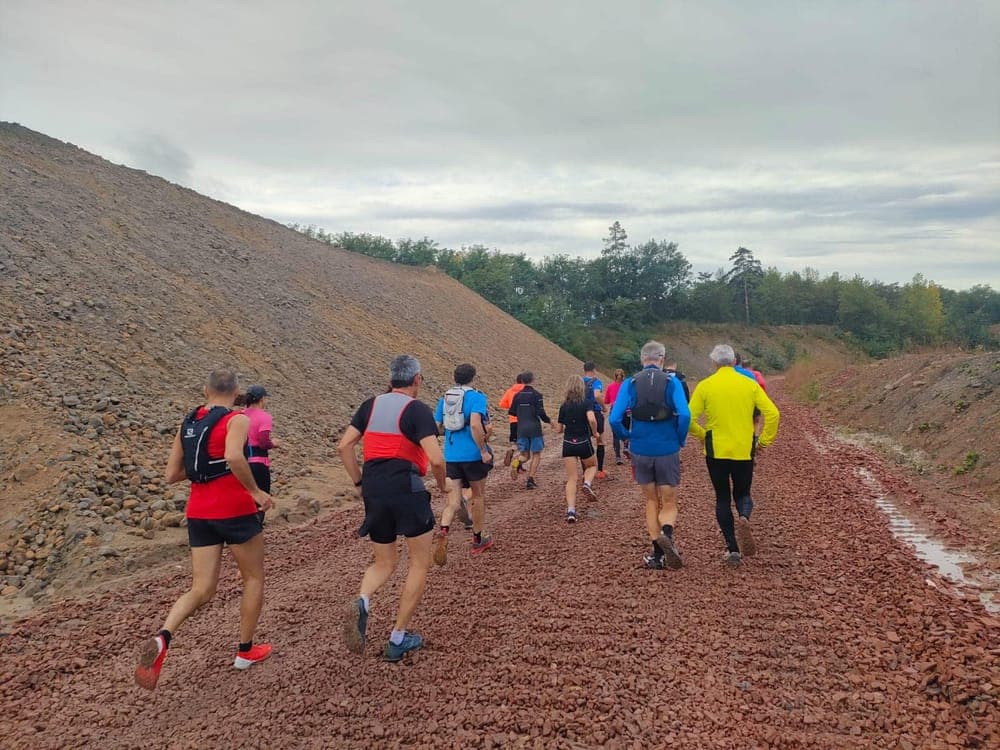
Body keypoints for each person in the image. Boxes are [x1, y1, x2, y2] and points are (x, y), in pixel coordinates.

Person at [134, 369, 274, 691]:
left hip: (199, 512)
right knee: (253, 578)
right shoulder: (237, 420)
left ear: (204, 390)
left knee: (201, 589)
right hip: (234, 510)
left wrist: (202, 472)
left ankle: (163, 636)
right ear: (236, 391)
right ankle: (244, 651)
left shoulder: (188, 422)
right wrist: (256, 493)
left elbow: (172, 474)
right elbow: (234, 456)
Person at [338, 355, 447, 661]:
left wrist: (359, 483)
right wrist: (441, 485)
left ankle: (362, 600)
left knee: (384, 562)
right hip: (406, 487)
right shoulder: (417, 410)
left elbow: (344, 446)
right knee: (418, 563)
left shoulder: (369, 406)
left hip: (374, 486)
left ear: (391, 378)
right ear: (417, 380)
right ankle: (398, 638)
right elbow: (436, 459)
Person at [688, 345, 780, 567]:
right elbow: (773, 413)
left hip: (716, 449)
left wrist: (702, 435)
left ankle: (732, 549)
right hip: (743, 448)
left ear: (713, 363)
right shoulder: (750, 384)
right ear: (733, 361)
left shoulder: (705, 386)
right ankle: (744, 518)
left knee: (722, 497)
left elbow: (687, 418)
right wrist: (763, 442)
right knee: (743, 492)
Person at [609, 342, 691, 570]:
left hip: (641, 449)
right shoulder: (672, 382)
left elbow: (614, 418)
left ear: (642, 359)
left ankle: (657, 555)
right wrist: (679, 438)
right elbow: (684, 415)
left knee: (651, 500)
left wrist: (627, 437)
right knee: (669, 501)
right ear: (662, 359)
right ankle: (667, 535)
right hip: (667, 448)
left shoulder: (630, 383)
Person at [432, 363, 494, 564]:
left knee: (453, 501)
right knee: (478, 496)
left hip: (451, 454)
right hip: (472, 455)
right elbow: (476, 424)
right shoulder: (477, 397)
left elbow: (436, 426)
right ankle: (478, 539)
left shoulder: (446, 398)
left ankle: (443, 530)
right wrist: (483, 450)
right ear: (473, 378)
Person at [556, 375, 599, 523]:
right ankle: (587, 483)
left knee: (571, 478)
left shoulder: (564, 406)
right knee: (592, 465)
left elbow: (559, 429)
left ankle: (571, 511)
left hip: (568, 443)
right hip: (583, 441)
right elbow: (592, 419)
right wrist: (595, 432)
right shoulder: (586, 403)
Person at [508, 371, 551, 489]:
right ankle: (530, 479)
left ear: (521, 381)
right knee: (536, 454)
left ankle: (517, 462)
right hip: (534, 428)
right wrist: (550, 421)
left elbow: (511, 412)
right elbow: (541, 413)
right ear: (533, 380)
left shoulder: (517, 395)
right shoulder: (537, 395)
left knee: (525, 456)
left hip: (521, 428)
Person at [243, 385, 280, 497]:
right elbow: (263, 442)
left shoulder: (240, 414)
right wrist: (274, 443)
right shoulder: (264, 417)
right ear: (262, 399)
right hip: (258, 464)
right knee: (261, 499)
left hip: (241, 463)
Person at [582, 361, 607, 478]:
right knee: (599, 440)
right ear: (594, 369)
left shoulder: (580, 381)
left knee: (584, 441)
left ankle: (585, 471)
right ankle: (600, 470)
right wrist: (603, 407)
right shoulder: (596, 382)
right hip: (595, 412)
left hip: (582, 412)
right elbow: (597, 395)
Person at [498, 373, 525, 468]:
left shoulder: (510, 391)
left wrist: (510, 406)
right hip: (525, 420)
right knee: (524, 444)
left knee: (515, 442)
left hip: (513, 421)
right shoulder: (526, 391)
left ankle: (512, 450)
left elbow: (501, 404)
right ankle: (518, 465)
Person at [604, 369, 627, 465]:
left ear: (615, 376)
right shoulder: (627, 386)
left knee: (616, 435)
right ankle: (626, 447)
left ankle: (618, 457)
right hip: (626, 410)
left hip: (615, 410)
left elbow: (606, 401)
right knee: (627, 430)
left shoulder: (610, 386)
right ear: (623, 376)